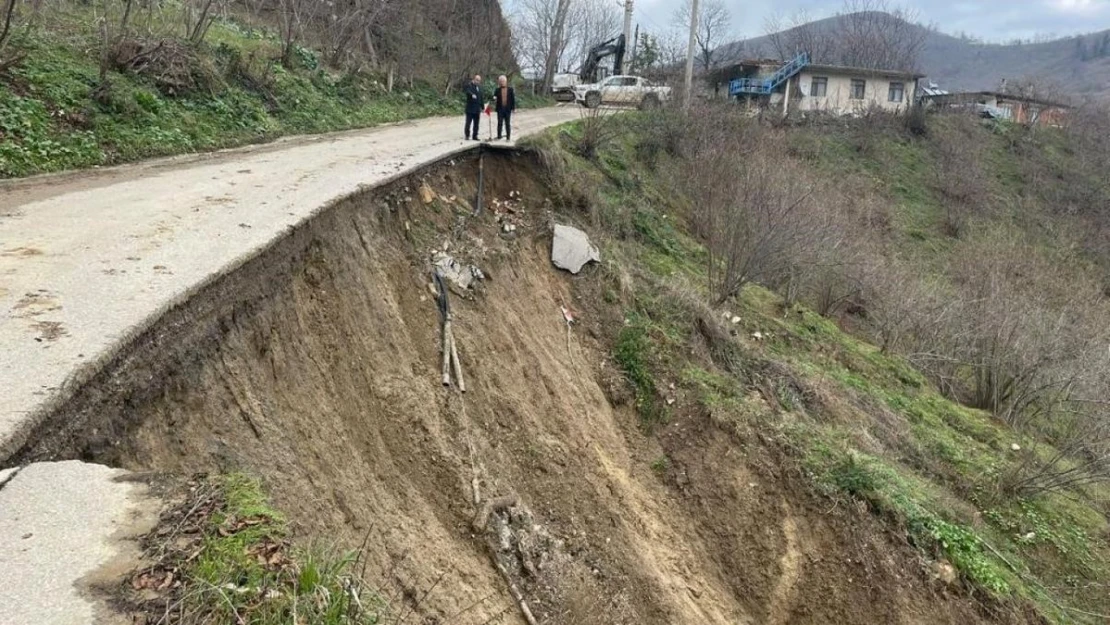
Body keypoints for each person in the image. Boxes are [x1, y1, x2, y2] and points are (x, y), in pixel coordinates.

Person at [491, 75, 517, 141]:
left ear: (506, 81)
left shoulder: (510, 89)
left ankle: (508, 137)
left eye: (503, 81)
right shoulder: (497, 90)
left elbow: (513, 99)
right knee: (499, 123)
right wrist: (494, 98)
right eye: (500, 81)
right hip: (500, 109)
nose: (502, 82)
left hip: (507, 109)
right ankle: (499, 136)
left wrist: (513, 108)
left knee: (507, 123)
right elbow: (494, 97)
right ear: (499, 82)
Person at [463, 74, 484, 141]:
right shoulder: (469, 85)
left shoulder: (479, 87)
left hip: (477, 109)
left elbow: (481, 98)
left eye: (479, 80)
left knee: (476, 124)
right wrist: (472, 95)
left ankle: (475, 136)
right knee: (468, 123)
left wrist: (482, 107)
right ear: (474, 79)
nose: (478, 81)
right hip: (470, 108)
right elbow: (467, 91)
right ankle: (467, 135)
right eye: (477, 80)